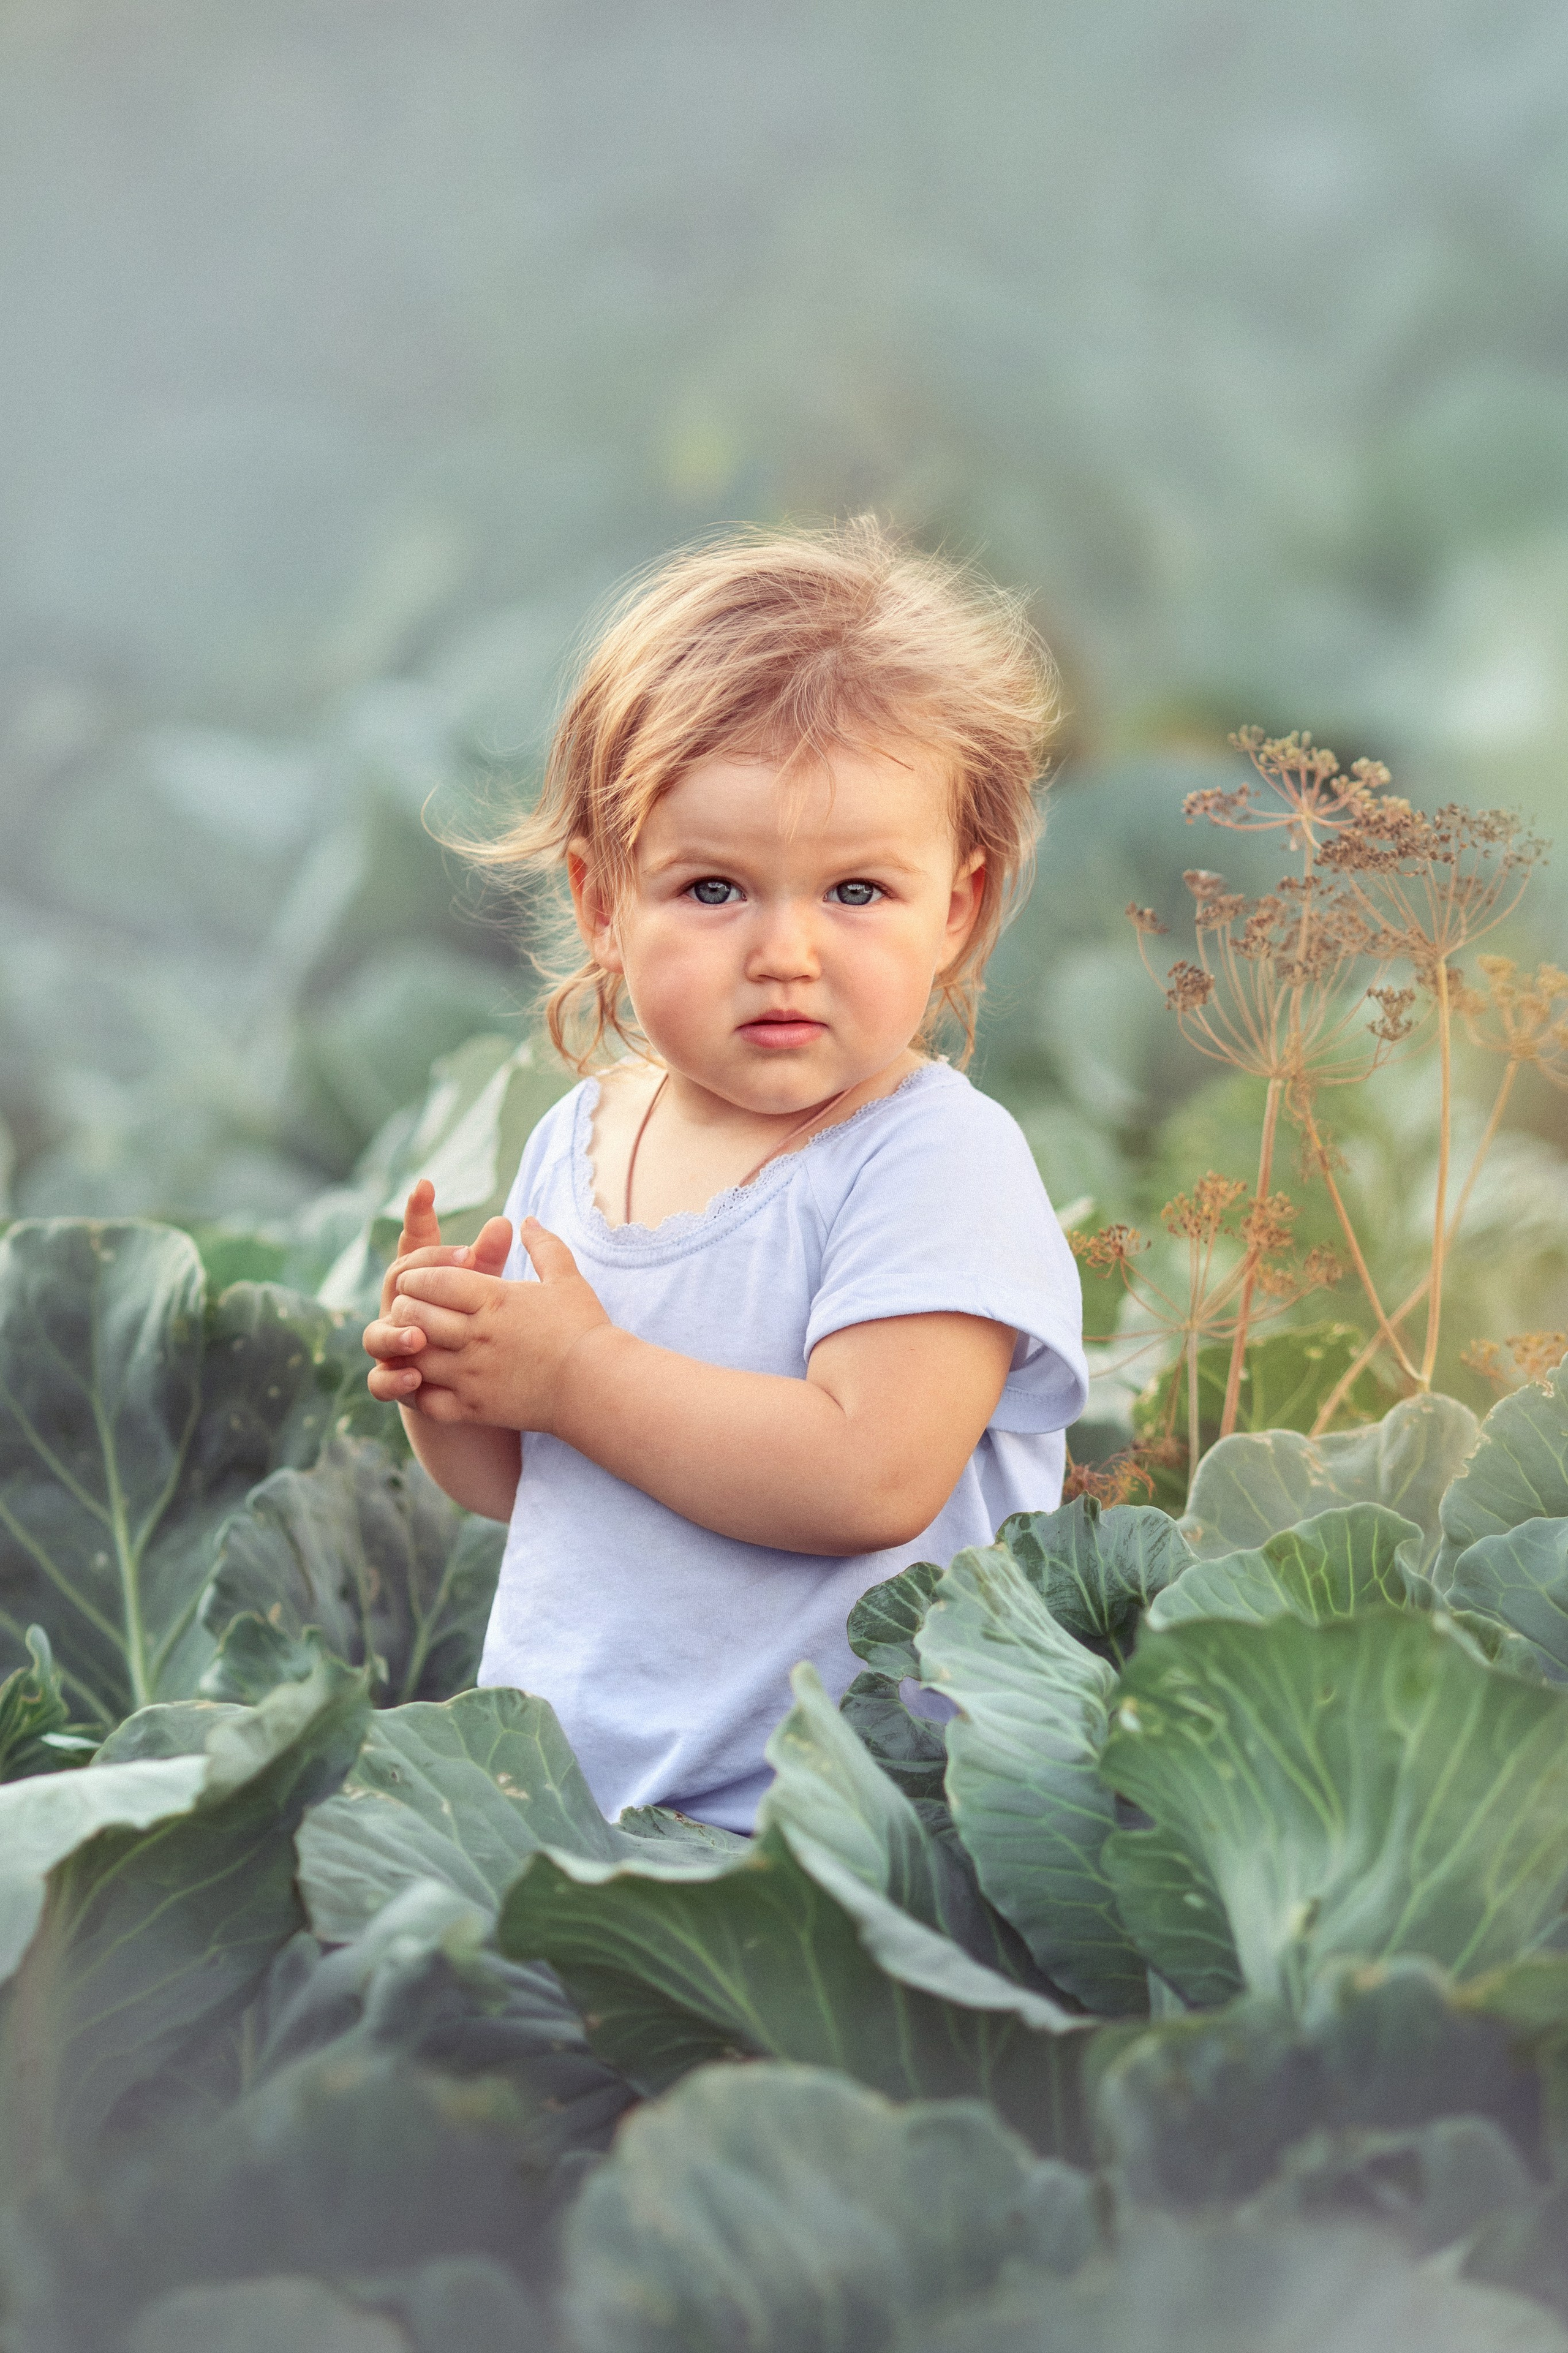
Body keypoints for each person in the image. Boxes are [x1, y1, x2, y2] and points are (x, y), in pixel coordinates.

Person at [361, 519, 1087, 1832]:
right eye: (712, 889)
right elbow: (537, 1485)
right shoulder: (575, 1142)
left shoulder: (933, 1158)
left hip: (832, 1834)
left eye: (856, 890)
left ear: (959, 909)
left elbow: (868, 1477)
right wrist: (456, 1377)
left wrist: (573, 1370)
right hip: (579, 1805)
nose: (784, 951)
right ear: (599, 901)